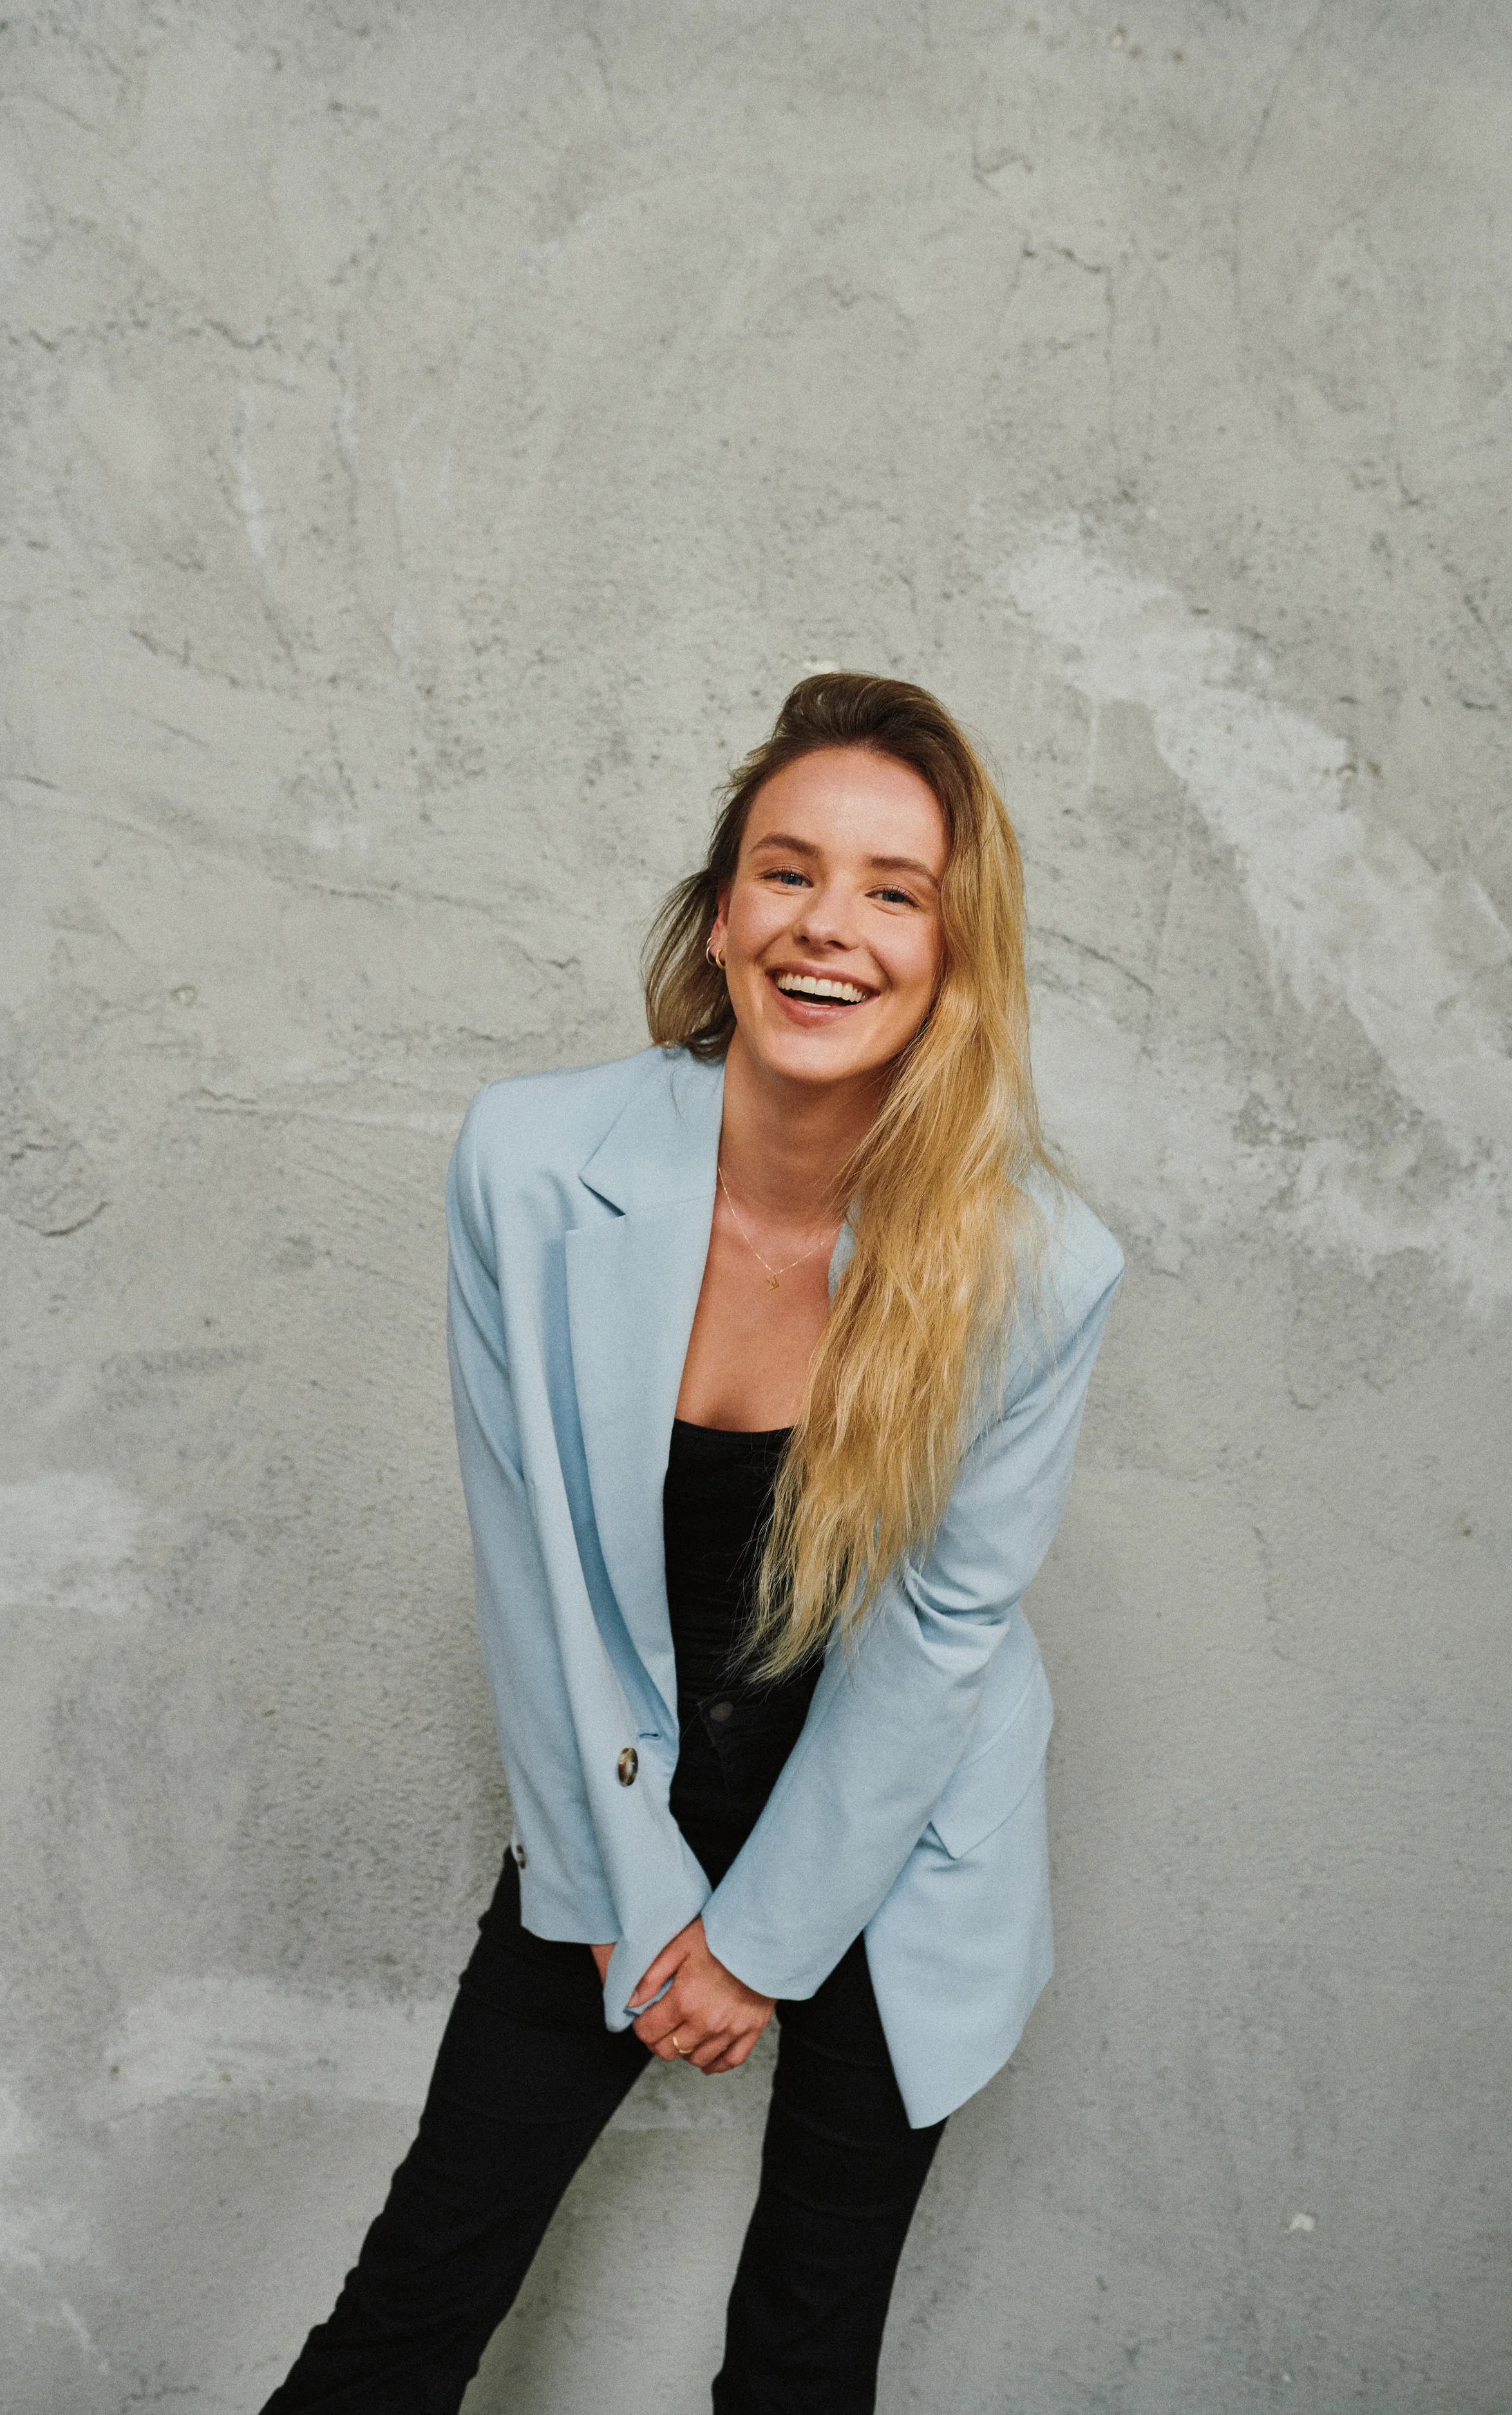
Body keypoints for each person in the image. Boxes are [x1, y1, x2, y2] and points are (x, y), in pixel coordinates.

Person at [261, 671, 1123, 2414]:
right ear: (720, 908)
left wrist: (750, 1950)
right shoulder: (530, 1158)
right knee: (410, 2310)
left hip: (896, 1819)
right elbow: (535, 1568)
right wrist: (630, 1891)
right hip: (617, 1775)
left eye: (895, 891)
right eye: (785, 869)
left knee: (803, 2359)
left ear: (956, 952)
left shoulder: (1036, 1267)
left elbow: (940, 1636)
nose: (830, 928)